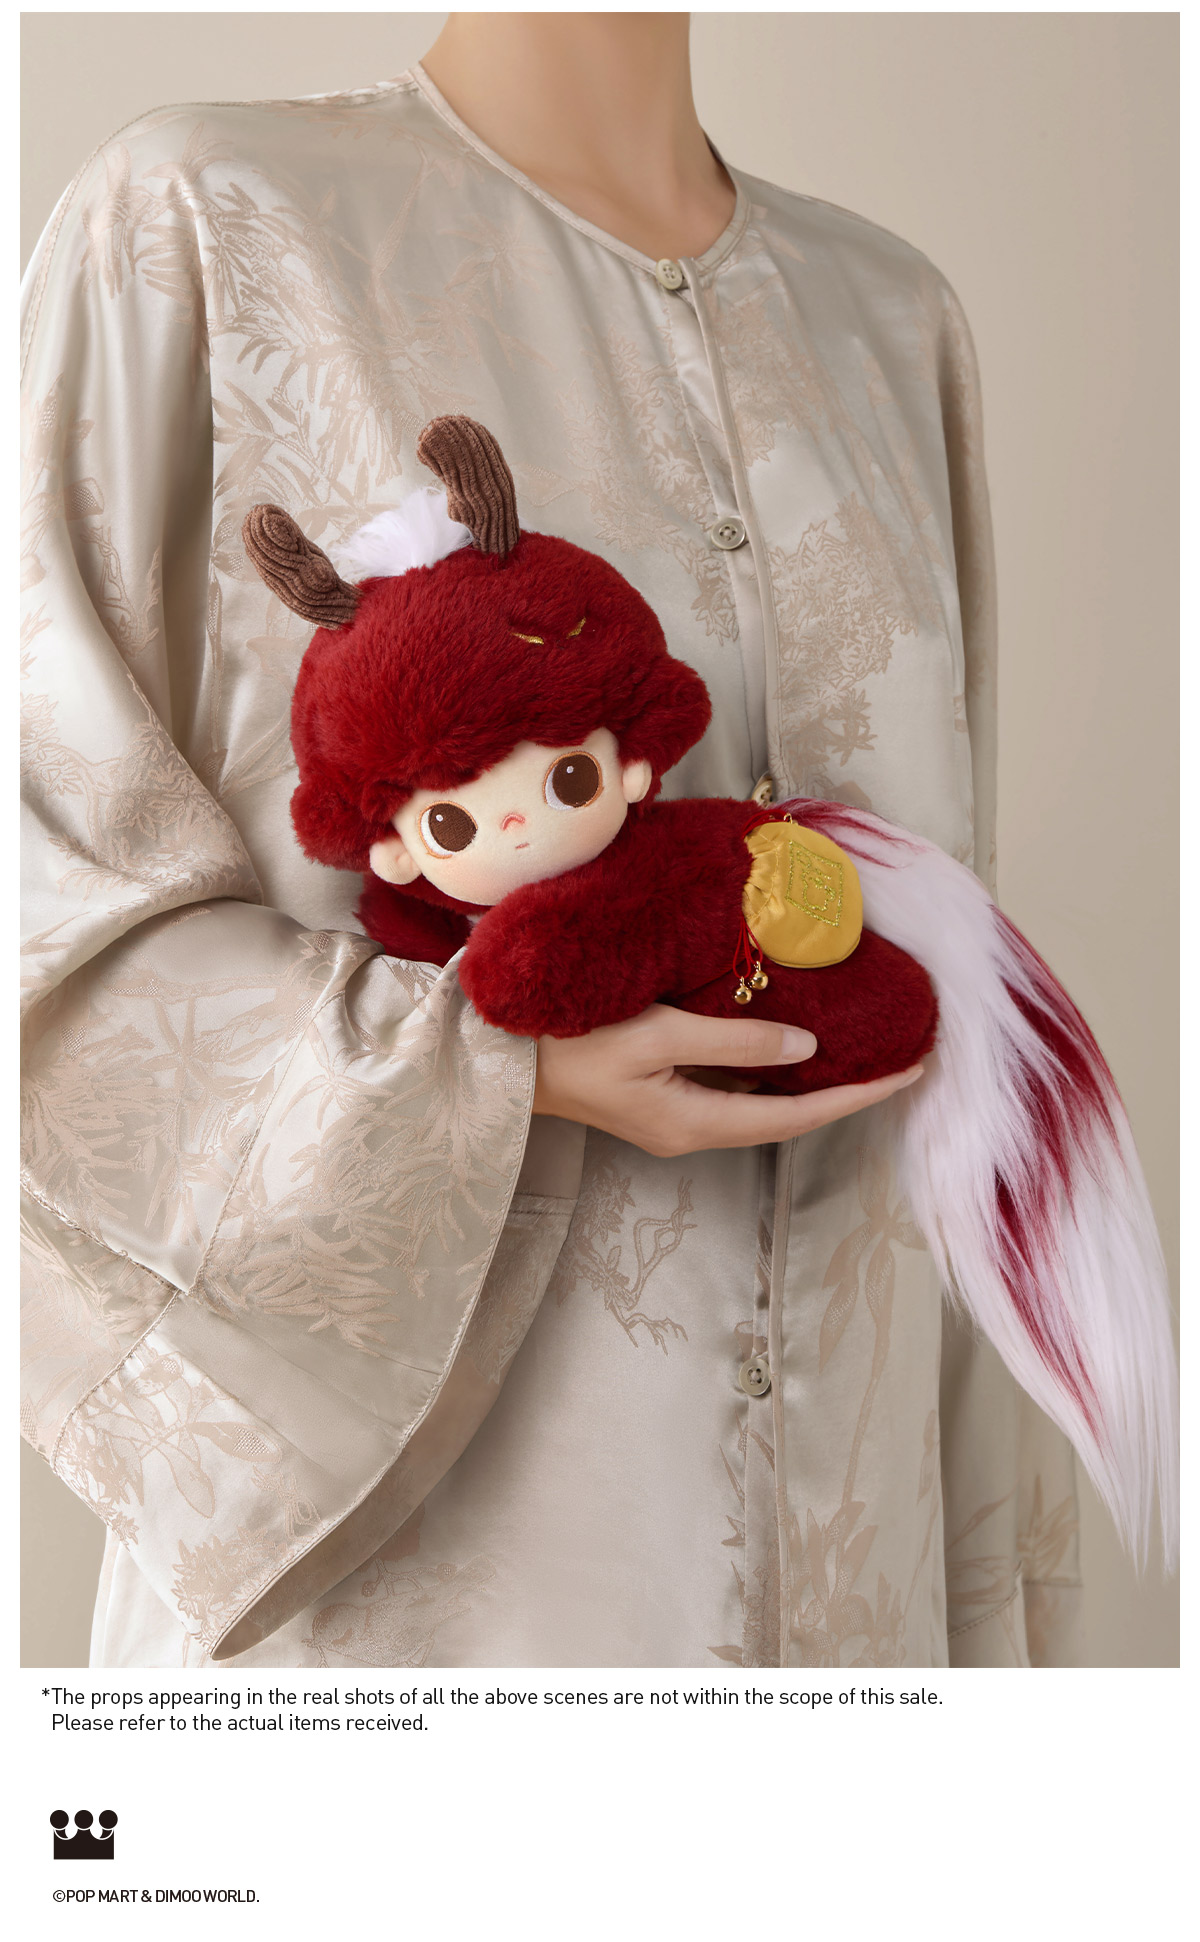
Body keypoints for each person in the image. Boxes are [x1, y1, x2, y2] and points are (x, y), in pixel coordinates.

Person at [20, 13, 1082, 1668]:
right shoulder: (205, 222)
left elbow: (962, 1012)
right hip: (428, 1652)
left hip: (860, 1616)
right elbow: (36, 899)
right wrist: (499, 1061)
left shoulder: (891, 322)